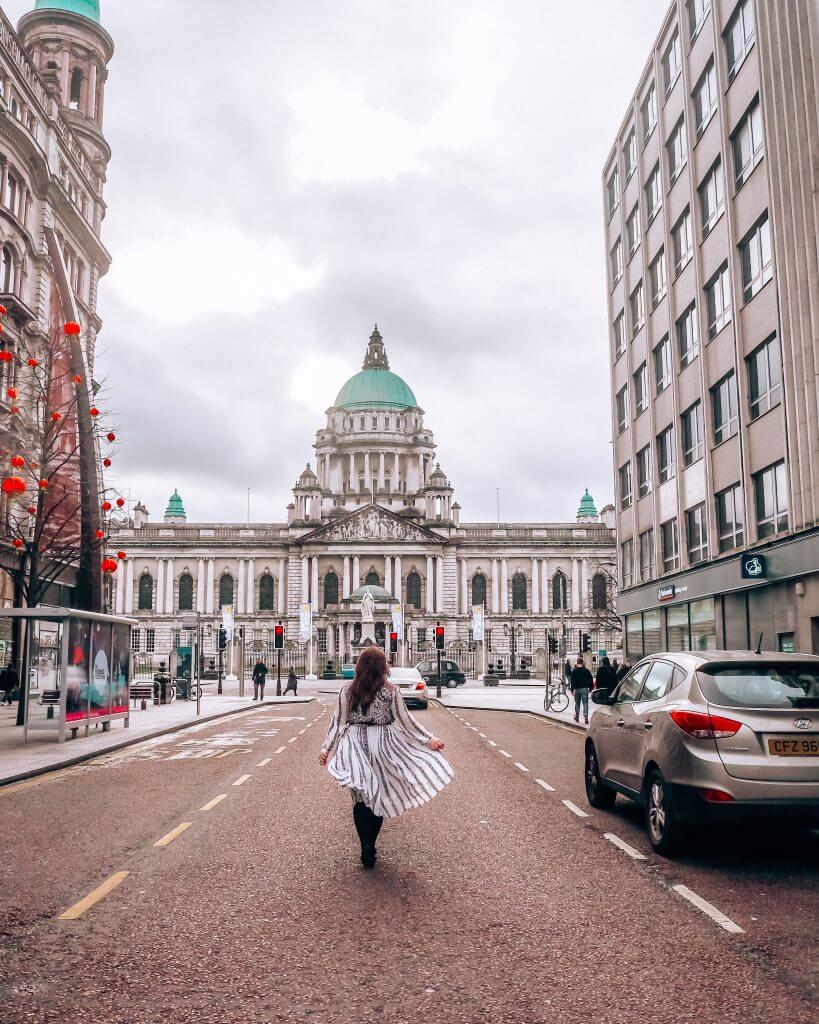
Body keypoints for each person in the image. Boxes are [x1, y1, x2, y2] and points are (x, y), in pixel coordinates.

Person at [319, 646, 453, 869]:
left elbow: (339, 722)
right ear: (383, 667)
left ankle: (365, 845)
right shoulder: (391, 690)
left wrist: (326, 749)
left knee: (360, 797)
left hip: (354, 744)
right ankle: (371, 843)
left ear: (359, 666)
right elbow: (405, 720)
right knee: (378, 794)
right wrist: (428, 739)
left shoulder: (346, 690)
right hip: (382, 744)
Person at [570, 656, 594, 725]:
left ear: (577, 663)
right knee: (585, 703)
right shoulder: (586, 670)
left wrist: (572, 690)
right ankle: (586, 718)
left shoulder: (574, 671)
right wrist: (591, 688)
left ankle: (577, 717)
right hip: (584, 689)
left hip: (577, 689)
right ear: (582, 663)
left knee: (577, 704)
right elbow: (590, 679)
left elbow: (572, 681)